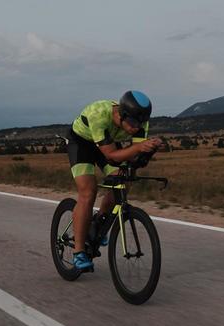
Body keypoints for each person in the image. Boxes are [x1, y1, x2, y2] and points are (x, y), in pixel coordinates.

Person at [65, 90, 164, 273]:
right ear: (121, 114)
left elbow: (135, 157)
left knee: (123, 180)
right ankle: (79, 252)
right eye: (133, 123)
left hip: (107, 142)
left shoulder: (139, 120)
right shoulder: (100, 115)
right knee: (88, 192)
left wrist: (148, 150)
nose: (137, 127)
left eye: (141, 123)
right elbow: (111, 155)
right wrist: (139, 147)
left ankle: (99, 221)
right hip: (82, 144)